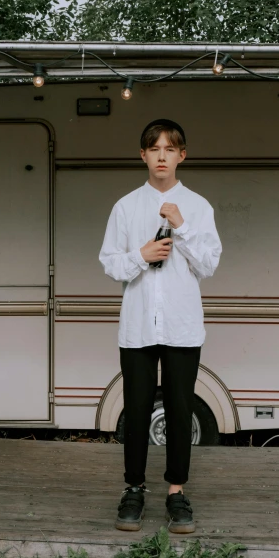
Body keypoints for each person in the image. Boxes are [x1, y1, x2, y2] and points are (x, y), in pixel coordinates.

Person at [99, 119, 222, 534]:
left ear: (182, 155)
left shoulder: (199, 206)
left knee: (179, 408)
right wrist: (142, 253)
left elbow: (209, 264)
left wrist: (181, 225)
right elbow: (109, 262)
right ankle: (133, 488)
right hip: (137, 327)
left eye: (170, 149)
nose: (162, 156)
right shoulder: (125, 206)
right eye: (155, 149)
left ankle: (175, 491)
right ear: (143, 155)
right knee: (134, 410)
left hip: (182, 326)